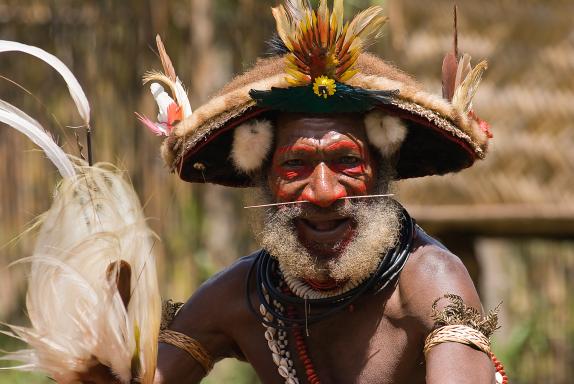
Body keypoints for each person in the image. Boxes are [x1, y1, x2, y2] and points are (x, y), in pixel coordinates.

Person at [84, 1, 505, 383]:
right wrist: (102, 364)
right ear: (264, 177)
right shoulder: (243, 295)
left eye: (346, 162)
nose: (322, 192)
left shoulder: (427, 281)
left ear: (380, 170)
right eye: (295, 165)